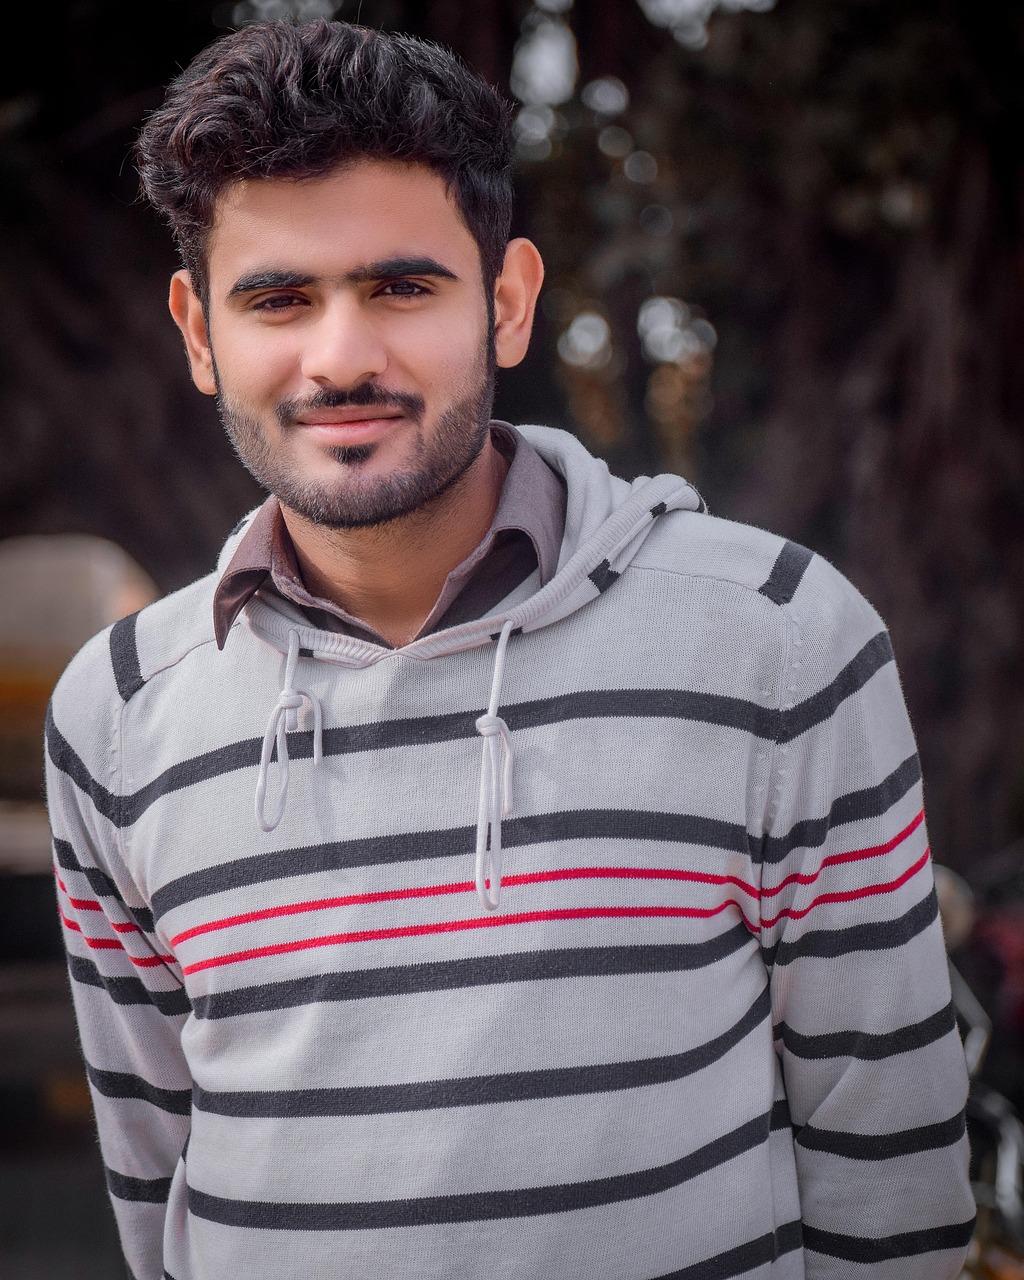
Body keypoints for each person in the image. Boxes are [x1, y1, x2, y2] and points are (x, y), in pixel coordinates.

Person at [44, 17, 975, 1280]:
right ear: (200, 332)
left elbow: (890, 1162)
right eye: (277, 298)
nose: (341, 357)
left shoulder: (777, 637)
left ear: (509, 301)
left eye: (401, 287)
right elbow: (153, 1173)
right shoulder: (115, 709)